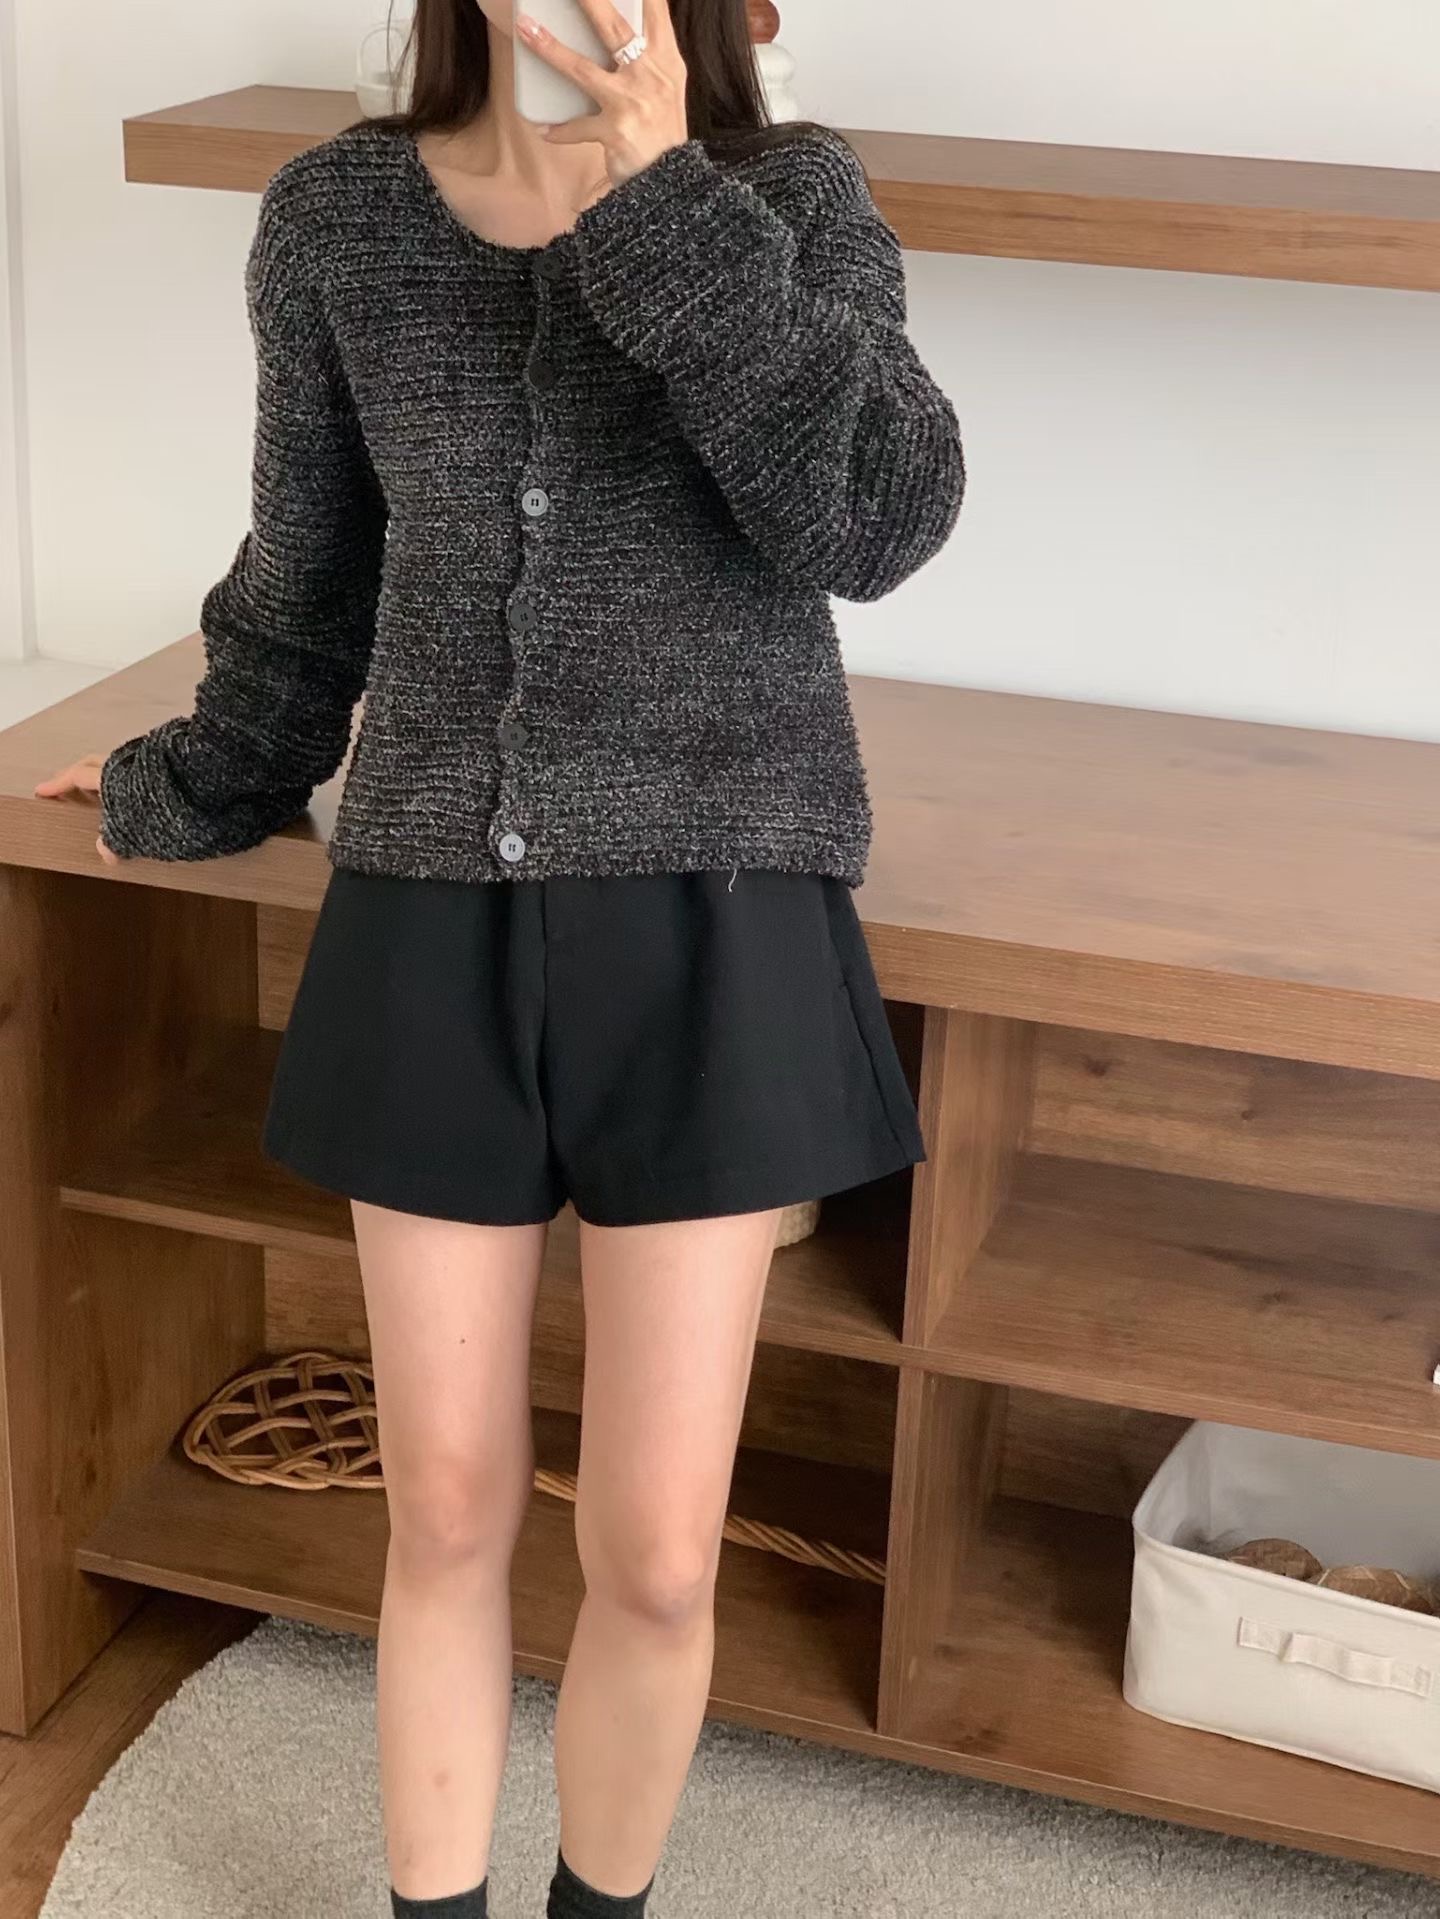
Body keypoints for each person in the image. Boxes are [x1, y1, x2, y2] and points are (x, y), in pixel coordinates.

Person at [36, 0, 965, 1911]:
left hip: (718, 921)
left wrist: (665, 199)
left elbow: (874, 521)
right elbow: (308, 581)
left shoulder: (788, 200)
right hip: (431, 908)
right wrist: (186, 781)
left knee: (658, 1555)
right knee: (445, 1511)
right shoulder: (337, 217)